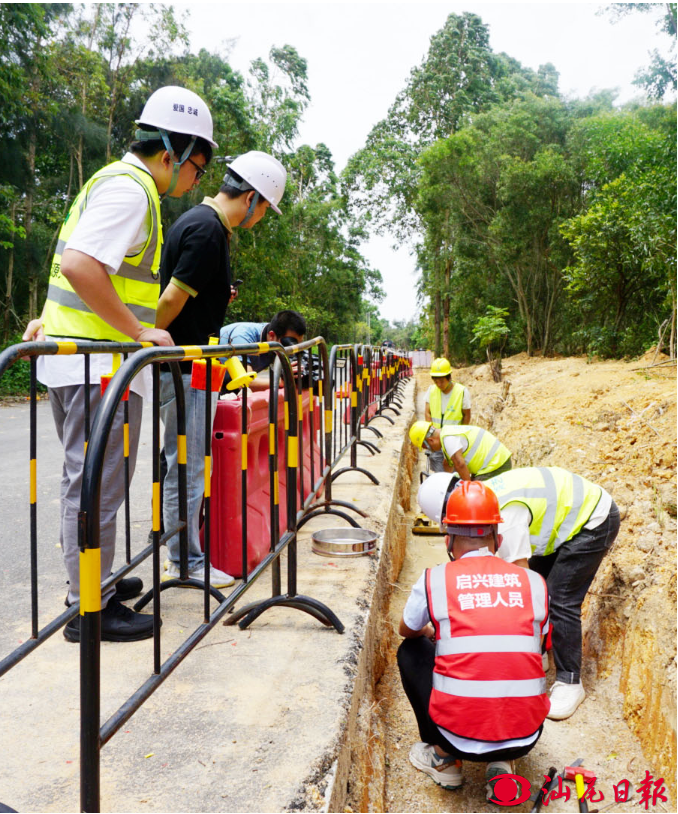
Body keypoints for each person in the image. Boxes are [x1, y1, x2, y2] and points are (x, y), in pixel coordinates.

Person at [22, 85, 216, 643]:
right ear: (170, 154)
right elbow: (83, 263)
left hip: (80, 359)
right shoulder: (133, 190)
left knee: (89, 479)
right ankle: (89, 606)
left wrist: (43, 316)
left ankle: (93, 582)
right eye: (197, 167)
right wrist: (138, 331)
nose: (194, 181)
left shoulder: (110, 181)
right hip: (97, 366)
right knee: (96, 484)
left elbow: (68, 260)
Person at [155, 151, 287, 586]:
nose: (263, 216)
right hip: (186, 366)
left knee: (187, 462)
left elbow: (188, 292)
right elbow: (171, 299)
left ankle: (182, 552)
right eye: (265, 207)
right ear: (250, 197)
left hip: (194, 364)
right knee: (188, 465)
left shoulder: (200, 223)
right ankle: (186, 563)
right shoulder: (209, 231)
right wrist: (144, 340)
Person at [398, 481, 549, 802]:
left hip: (456, 737)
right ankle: (503, 762)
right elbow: (538, 646)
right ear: (499, 538)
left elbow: (406, 630)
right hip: (525, 736)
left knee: (411, 651)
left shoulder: (434, 578)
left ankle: (444, 759)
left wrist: (433, 632)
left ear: (448, 539)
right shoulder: (535, 583)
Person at [483, 466, 620, 720]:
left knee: (561, 599)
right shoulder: (484, 499)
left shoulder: (507, 514)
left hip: (594, 520)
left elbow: (521, 582)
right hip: (566, 521)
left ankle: (570, 683)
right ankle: (538, 655)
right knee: (541, 584)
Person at [220, 310, 306, 391]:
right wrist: (280, 382)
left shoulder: (274, 337)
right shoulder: (242, 337)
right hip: (214, 381)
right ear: (272, 335)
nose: (292, 351)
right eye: (288, 343)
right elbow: (245, 382)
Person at [409, 421, 512, 481]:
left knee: (475, 496)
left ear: (431, 440)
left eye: (428, 448)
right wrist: (446, 482)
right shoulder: (446, 433)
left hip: (496, 464)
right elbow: (447, 463)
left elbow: (460, 464)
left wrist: (467, 489)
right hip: (495, 461)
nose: (431, 450)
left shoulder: (448, 439)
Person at [424, 357, 471, 473]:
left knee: (454, 474)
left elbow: (467, 416)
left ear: (449, 377)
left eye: (442, 381)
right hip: (437, 442)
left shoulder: (462, 392)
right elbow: (427, 412)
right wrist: (431, 433)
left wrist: (461, 434)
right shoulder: (431, 390)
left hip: (454, 441)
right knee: (439, 475)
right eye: (436, 381)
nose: (439, 384)